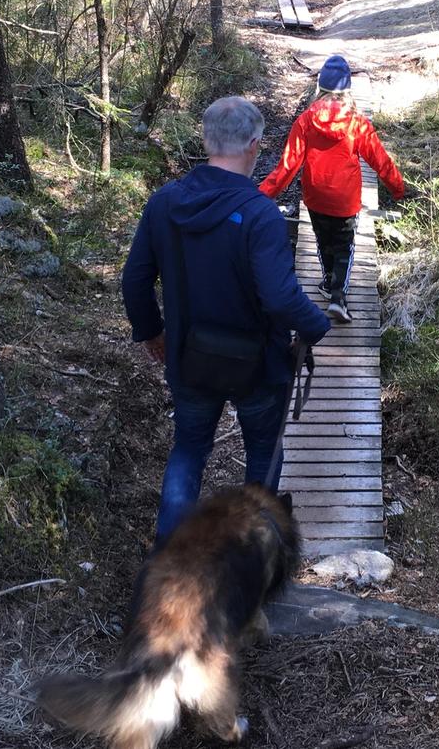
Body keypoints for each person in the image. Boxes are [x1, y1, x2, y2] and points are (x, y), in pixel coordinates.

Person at [122, 96, 331, 543]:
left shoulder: (164, 204)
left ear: (206, 139)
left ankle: (168, 558)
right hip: (258, 367)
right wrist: (315, 325)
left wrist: (152, 333)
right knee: (263, 454)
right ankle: (247, 562)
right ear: (255, 145)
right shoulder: (260, 214)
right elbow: (279, 295)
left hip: (189, 359)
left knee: (190, 449)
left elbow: (135, 278)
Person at [259, 54, 406, 324]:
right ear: (347, 91)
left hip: (315, 197)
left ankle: (327, 283)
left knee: (323, 241)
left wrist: (259, 195)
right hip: (345, 199)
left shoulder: (305, 121)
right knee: (344, 248)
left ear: (320, 88)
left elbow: (288, 166)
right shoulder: (357, 123)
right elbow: (380, 160)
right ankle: (338, 296)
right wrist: (398, 188)